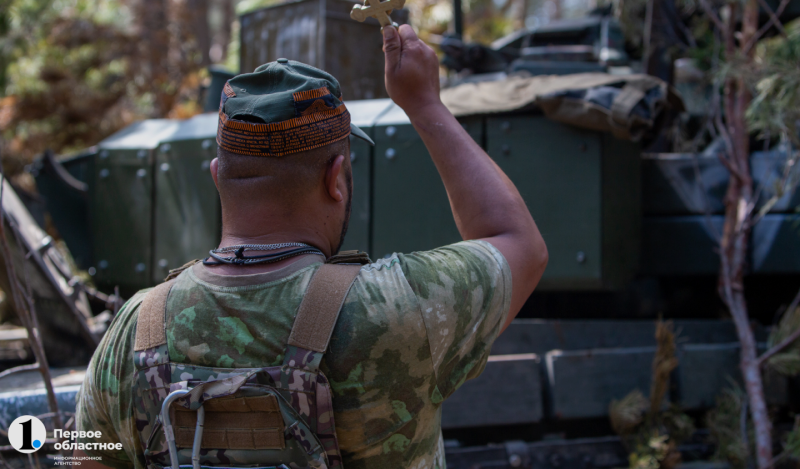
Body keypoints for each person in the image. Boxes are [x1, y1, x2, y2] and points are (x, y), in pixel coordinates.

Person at [74, 24, 548, 469]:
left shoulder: (134, 332)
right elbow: (516, 242)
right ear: (335, 179)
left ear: (218, 178)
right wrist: (425, 104)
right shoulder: (397, 309)